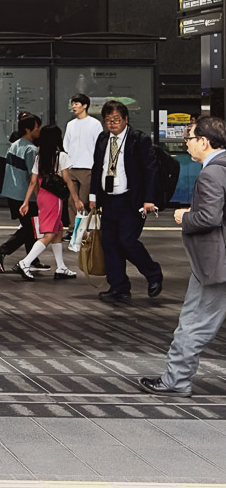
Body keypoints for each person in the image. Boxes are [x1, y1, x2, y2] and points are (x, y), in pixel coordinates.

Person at [140, 116, 226, 396]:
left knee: (194, 323)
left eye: (189, 138)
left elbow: (209, 218)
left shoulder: (211, 173)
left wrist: (184, 216)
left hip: (214, 263)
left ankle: (175, 380)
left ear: (204, 141)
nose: (186, 144)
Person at [89, 99, 162, 304]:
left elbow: (151, 170)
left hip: (132, 200)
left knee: (127, 241)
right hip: (108, 199)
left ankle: (153, 274)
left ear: (126, 119)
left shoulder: (138, 139)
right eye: (108, 120)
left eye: (116, 119)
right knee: (109, 243)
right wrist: (93, 196)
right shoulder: (103, 138)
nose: (112, 124)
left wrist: (149, 199)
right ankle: (119, 287)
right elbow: (97, 167)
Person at [15, 123, 81, 280]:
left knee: (58, 230)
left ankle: (61, 267)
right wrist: (76, 200)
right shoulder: (61, 156)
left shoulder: (39, 157)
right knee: (50, 233)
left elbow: (33, 182)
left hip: (42, 197)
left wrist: (26, 202)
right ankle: (25, 262)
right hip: (54, 198)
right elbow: (68, 180)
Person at [0, 114, 45, 274]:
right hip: (25, 195)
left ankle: (32, 260)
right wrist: (39, 197)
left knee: (29, 227)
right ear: (28, 129)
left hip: (11, 192)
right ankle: (2, 251)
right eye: (37, 127)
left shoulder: (15, 145)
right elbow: (33, 177)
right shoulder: (31, 149)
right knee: (30, 228)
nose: (39, 130)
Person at [63, 94, 103, 223]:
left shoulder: (95, 124)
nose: (73, 106)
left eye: (76, 104)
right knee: (72, 200)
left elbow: (99, 145)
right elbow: (66, 145)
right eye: (72, 104)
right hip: (72, 166)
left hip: (88, 167)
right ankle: (73, 228)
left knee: (84, 199)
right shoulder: (70, 124)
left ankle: (84, 228)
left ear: (85, 106)